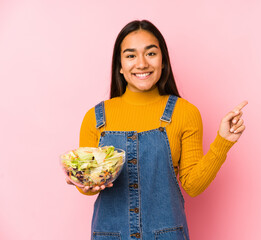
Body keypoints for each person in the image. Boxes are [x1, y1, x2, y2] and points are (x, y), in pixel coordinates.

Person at [66, 19, 247, 240]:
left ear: (163, 62)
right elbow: (89, 180)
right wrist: (82, 181)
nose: (141, 64)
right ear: (120, 66)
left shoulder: (184, 113)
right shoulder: (95, 118)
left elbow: (193, 186)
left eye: (150, 53)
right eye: (131, 56)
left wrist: (223, 142)